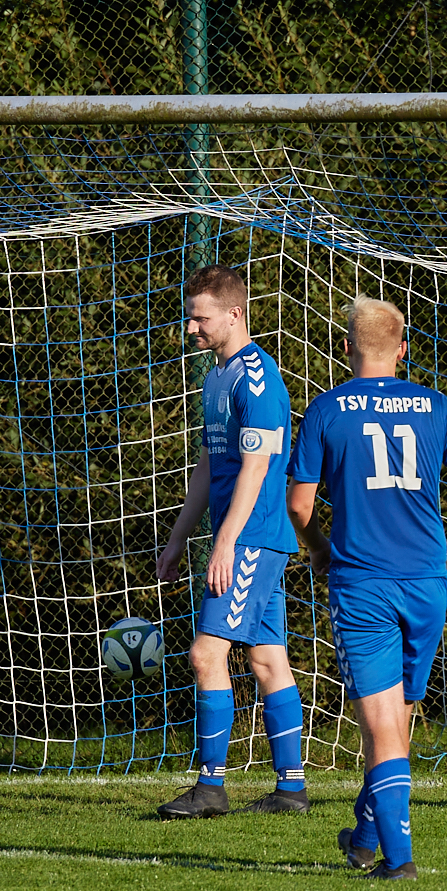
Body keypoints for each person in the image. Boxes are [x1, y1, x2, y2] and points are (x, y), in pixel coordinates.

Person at [289, 295, 447, 880]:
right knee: (396, 722)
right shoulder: (437, 405)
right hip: (428, 583)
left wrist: (319, 549)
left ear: (347, 348)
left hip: (364, 585)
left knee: (382, 728)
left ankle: (399, 860)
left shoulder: (327, 409)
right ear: (403, 349)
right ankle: (364, 837)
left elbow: (299, 505)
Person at [154, 265, 308, 818]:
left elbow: (257, 466)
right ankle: (291, 790)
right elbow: (208, 467)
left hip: (252, 538)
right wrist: (178, 539)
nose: (190, 327)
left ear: (234, 313)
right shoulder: (216, 376)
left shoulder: (257, 378)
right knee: (267, 660)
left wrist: (226, 543)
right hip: (245, 537)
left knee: (205, 654)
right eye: (189, 317)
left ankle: (210, 787)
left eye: (200, 317)